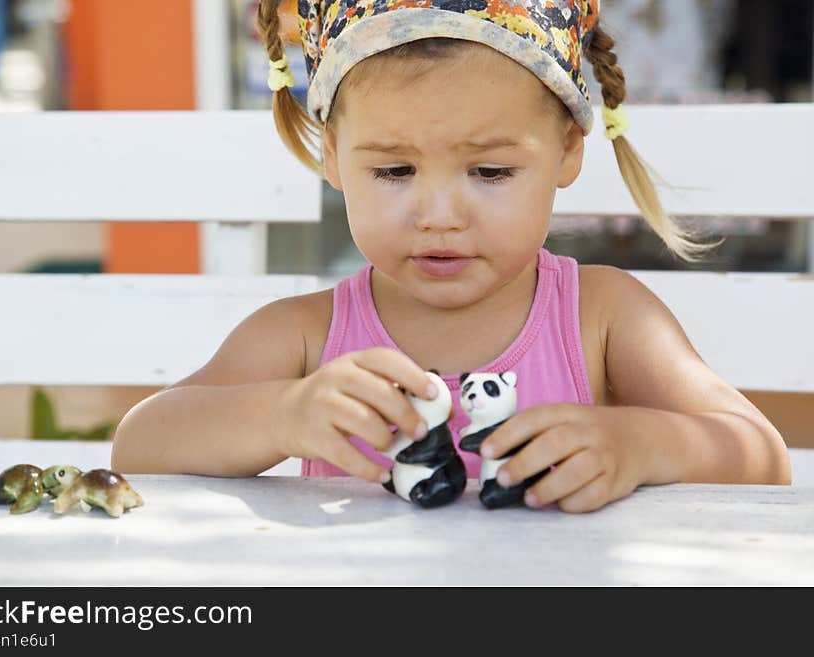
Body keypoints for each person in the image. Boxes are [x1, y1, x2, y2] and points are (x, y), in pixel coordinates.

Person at [111, 0, 791, 512]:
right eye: (395, 171)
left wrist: (640, 445)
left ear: (567, 152)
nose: (439, 216)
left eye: (490, 172)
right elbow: (138, 445)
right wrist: (282, 414)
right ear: (333, 157)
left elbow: (761, 456)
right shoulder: (305, 337)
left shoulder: (605, 318)